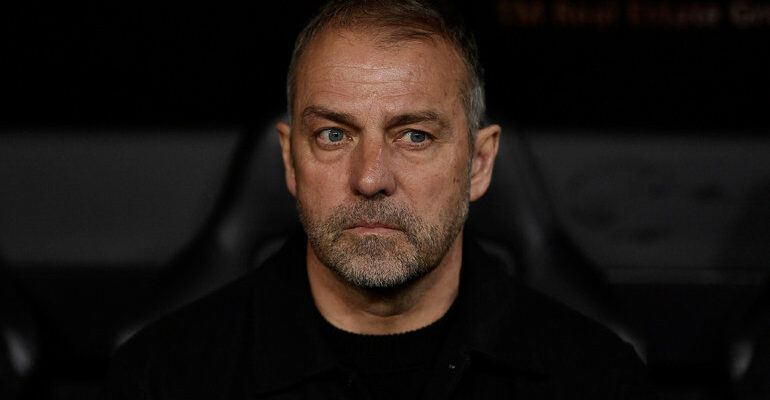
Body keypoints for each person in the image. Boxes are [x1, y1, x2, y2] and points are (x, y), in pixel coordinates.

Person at [105, 0, 658, 398]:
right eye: (333, 135)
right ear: (290, 160)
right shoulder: (162, 379)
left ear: (479, 163)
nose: (370, 179)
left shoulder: (596, 380)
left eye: (414, 136)